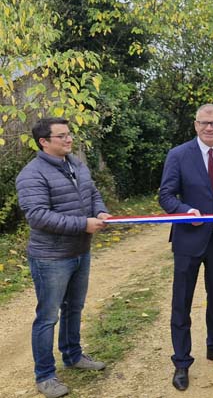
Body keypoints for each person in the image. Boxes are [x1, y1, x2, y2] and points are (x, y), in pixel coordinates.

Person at [16, 117, 110, 398]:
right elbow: (38, 216)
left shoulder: (76, 164)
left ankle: (73, 355)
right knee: (47, 317)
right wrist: (83, 224)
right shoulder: (31, 175)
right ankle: (45, 376)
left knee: (74, 308)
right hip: (51, 257)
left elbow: (92, 193)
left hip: (80, 251)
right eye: (62, 136)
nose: (69, 140)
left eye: (69, 134)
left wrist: (101, 212)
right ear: (44, 142)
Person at [158, 104, 213, 391]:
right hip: (188, 239)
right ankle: (182, 362)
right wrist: (184, 210)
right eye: (204, 123)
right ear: (195, 125)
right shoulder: (178, 154)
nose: (209, 128)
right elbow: (166, 195)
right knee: (182, 302)